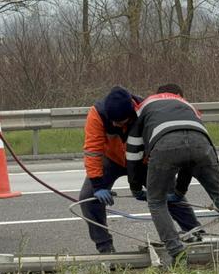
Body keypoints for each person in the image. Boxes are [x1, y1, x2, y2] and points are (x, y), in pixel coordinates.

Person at [126, 83, 219, 268]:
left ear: (156, 95)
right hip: (201, 145)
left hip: (164, 145)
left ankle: (177, 254)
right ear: (178, 95)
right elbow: (188, 153)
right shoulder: (188, 106)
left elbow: (133, 151)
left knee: (156, 201)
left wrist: (134, 186)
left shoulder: (145, 106)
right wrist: (180, 190)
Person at [79, 86, 201, 254]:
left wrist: (156, 178)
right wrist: (97, 184)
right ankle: (105, 248)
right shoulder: (97, 113)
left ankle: (197, 234)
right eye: (112, 121)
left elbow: (156, 143)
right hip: (112, 159)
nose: (114, 125)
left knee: (169, 195)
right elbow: (93, 150)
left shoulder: (146, 110)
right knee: (87, 197)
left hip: (144, 161)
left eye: (119, 122)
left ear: (130, 114)